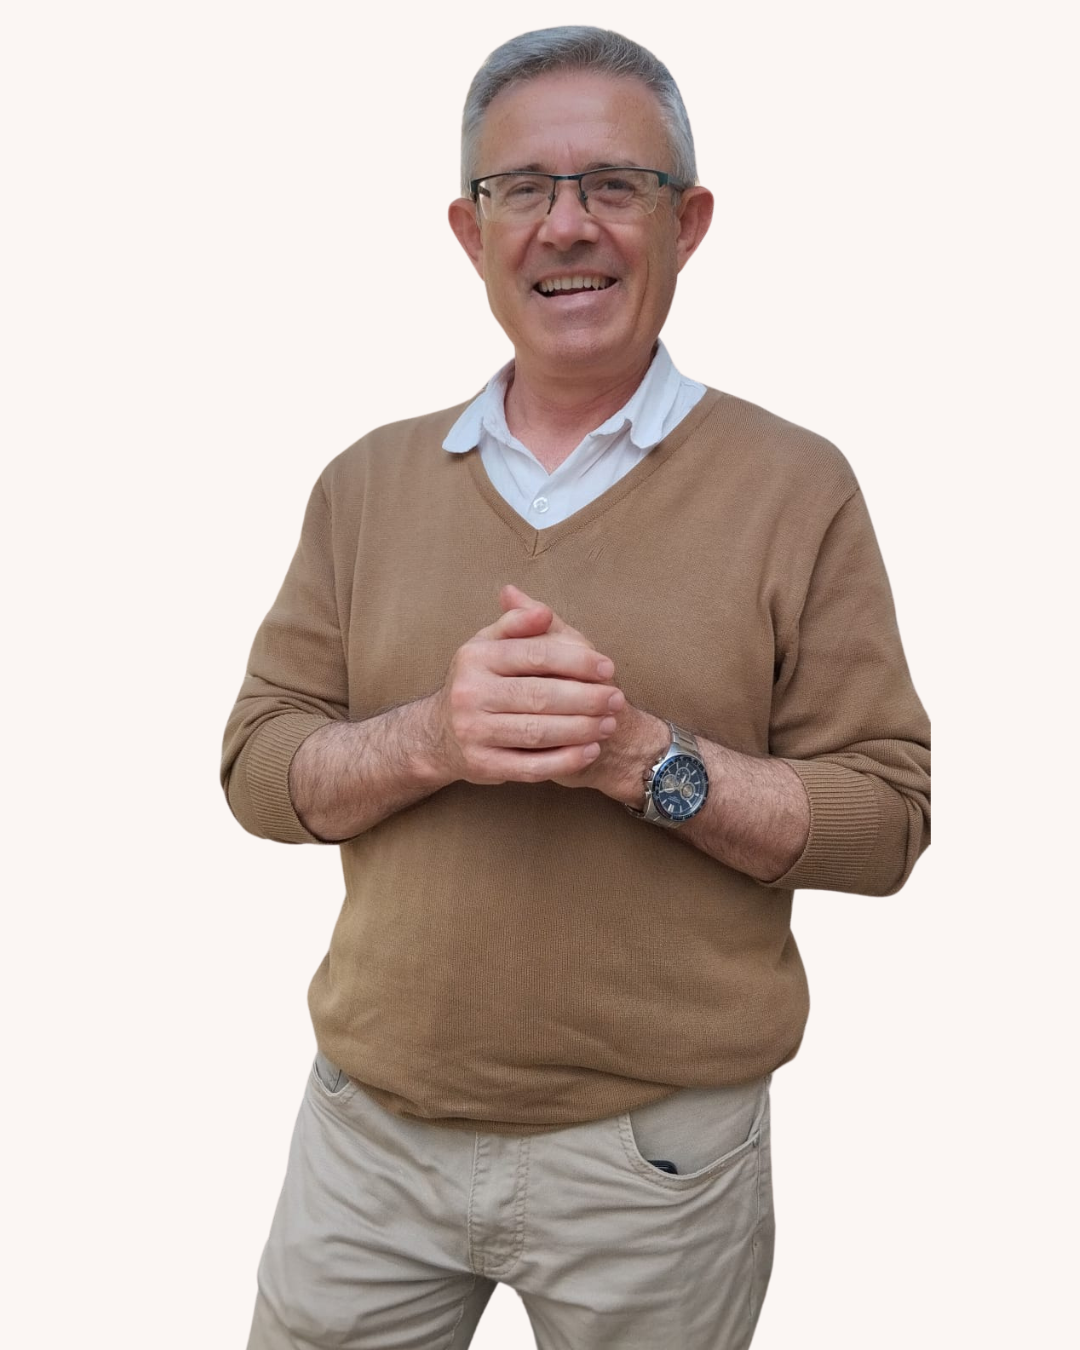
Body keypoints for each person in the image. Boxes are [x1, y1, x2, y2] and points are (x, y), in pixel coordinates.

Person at [221, 25, 930, 1350]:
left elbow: (887, 823)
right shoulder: (364, 484)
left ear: (686, 222)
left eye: (615, 184)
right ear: (470, 230)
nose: (567, 225)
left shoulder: (798, 488)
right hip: (366, 1136)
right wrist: (430, 739)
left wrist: (648, 762)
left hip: (657, 1164)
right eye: (522, 190)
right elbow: (258, 767)